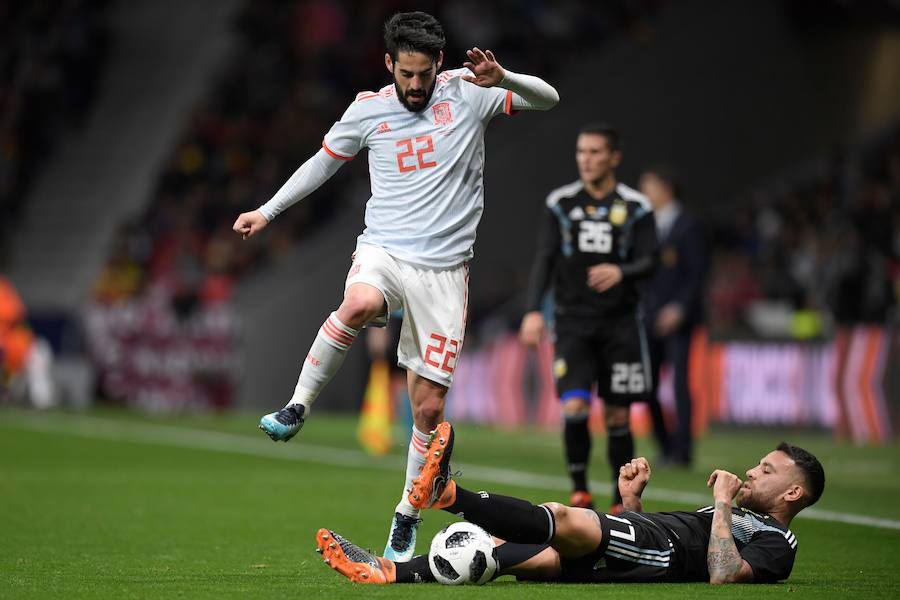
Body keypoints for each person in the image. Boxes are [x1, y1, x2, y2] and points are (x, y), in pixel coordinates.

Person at [232, 11, 558, 561]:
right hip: (384, 251)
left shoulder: (469, 92)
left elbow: (548, 98)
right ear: (389, 63)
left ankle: (406, 514)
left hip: (445, 273)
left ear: (438, 65)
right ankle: (297, 406)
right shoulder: (368, 110)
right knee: (357, 302)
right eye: (405, 73)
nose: (414, 85)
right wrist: (268, 211)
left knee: (428, 411)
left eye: (423, 74)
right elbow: (321, 164)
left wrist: (502, 79)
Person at [316, 421, 825, 585]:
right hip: (641, 546)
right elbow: (652, 548)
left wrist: (721, 505)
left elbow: (721, 573)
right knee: (497, 548)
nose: (754, 472)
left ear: (793, 493)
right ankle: (388, 571)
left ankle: (447, 494)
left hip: (655, 550)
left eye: (767, 470)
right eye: (759, 465)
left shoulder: (778, 543)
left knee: (559, 517)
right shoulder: (741, 516)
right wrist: (631, 503)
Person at [519, 124, 657, 513]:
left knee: (617, 413)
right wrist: (533, 311)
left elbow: (651, 259)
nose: (587, 159)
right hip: (572, 322)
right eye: (582, 151)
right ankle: (580, 488)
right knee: (575, 407)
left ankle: (620, 498)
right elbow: (545, 257)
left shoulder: (636, 207)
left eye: (596, 152)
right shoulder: (560, 203)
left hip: (620, 325)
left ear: (615, 157)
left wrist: (622, 272)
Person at [639, 166, 707, 466]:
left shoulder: (688, 225)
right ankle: (665, 446)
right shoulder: (646, 226)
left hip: (680, 320)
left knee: (679, 384)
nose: (643, 194)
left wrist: (679, 308)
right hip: (650, 318)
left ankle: (683, 451)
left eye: (648, 187)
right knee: (647, 385)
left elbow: (697, 273)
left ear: (666, 189)